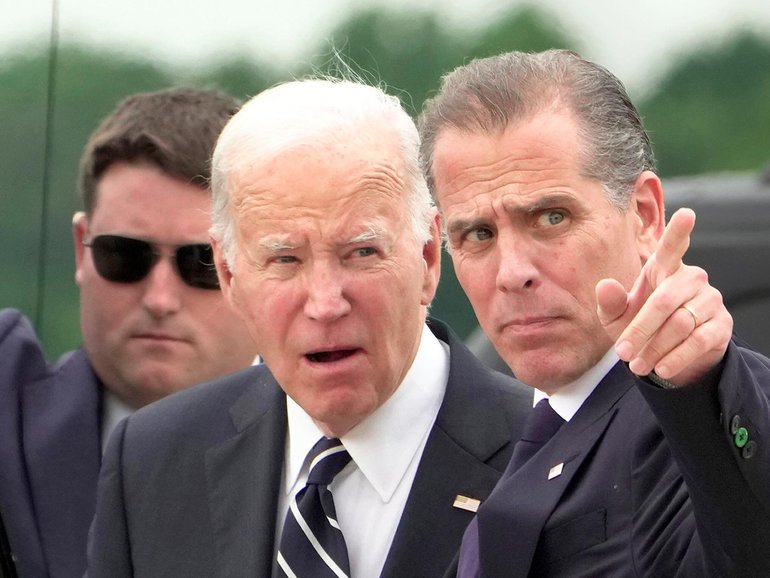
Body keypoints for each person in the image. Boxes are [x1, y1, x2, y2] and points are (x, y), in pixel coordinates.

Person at [86, 78, 533, 577]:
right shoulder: (151, 462)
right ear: (229, 274)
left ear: (428, 256)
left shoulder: (548, 457)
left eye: (361, 253)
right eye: (284, 259)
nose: (325, 303)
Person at [418, 49, 770, 576]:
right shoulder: (472, 446)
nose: (512, 272)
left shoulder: (701, 412)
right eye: (478, 234)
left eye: (551, 217)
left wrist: (702, 385)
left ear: (646, 216)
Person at [0, 88, 258, 578]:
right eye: (125, 254)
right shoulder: (6, 419)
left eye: (201, 262)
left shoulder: (332, 449)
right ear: (81, 249)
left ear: (260, 263)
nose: (159, 298)